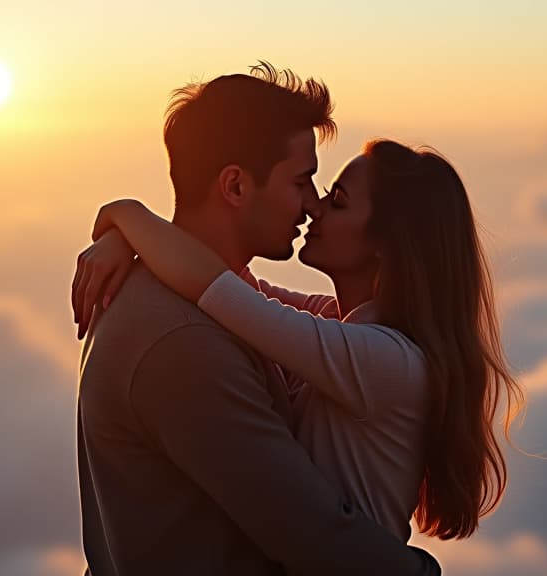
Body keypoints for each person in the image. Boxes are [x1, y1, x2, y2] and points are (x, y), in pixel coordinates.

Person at [73, 63, 441, 575]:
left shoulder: (218, 304)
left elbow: (242, 296)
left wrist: (127, 224)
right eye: (302, 181)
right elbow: (312, 533)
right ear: (236, 187)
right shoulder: (185, 343)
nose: (312, 204)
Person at [77, 137, 525, 545]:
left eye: (339, 202)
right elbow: (231, 278)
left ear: (385, 246)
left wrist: (125, 215)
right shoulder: (343, 325)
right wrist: (124, 241)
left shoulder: (385, 360)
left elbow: (217, 290)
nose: (316, 207)